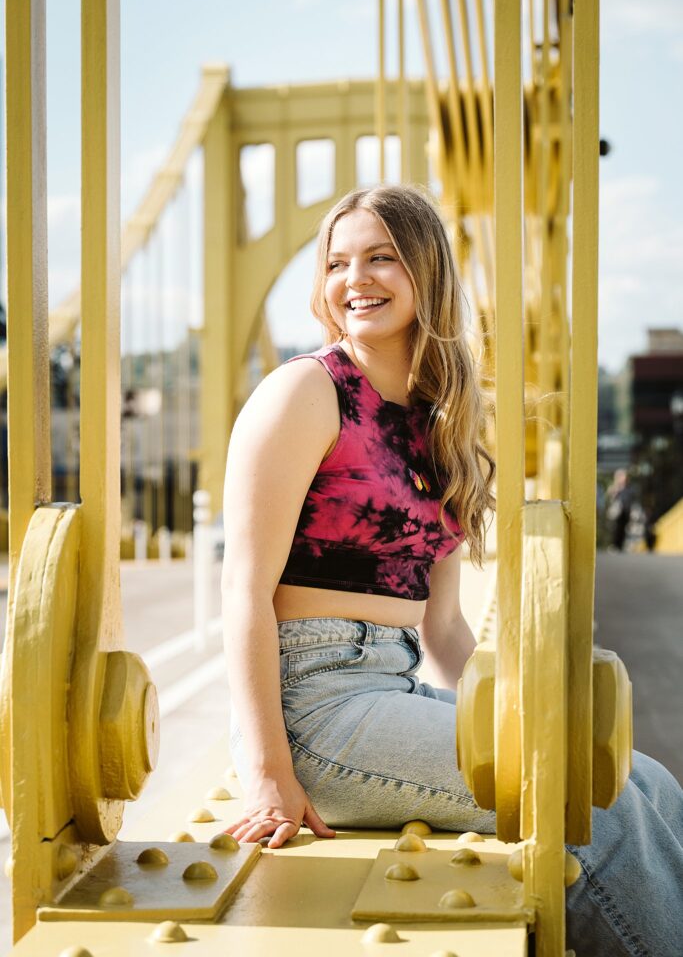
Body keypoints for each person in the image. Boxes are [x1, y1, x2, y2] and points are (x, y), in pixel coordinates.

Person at [221, 185, 683, 957]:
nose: (353, 279)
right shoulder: (307, 392)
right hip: (314, 709)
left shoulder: (439, 421)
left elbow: (442, 628)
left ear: (426, 271)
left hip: (391, 686)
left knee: (642, 780)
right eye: (336, 262)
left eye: (380, 258)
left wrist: (518, 714)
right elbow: (244, 590)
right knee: (585, 806)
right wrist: (267, 771)